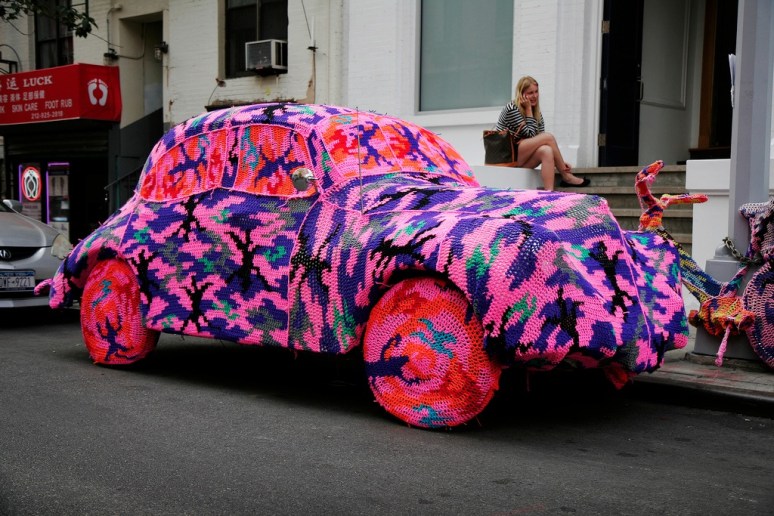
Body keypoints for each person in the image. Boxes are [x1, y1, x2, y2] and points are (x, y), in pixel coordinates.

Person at [495, 75, 589, 190]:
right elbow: (531, 135)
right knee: (548, 137)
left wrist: (560, 161)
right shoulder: (512, 108)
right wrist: (528, 110)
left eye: (536, 91)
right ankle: (566, 176)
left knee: (546, 150)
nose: (535, 96)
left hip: (520, 157)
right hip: (506, 157)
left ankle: (549, 192)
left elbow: (539, 139)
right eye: (530, 93)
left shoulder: (536, 112)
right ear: (522, 94)